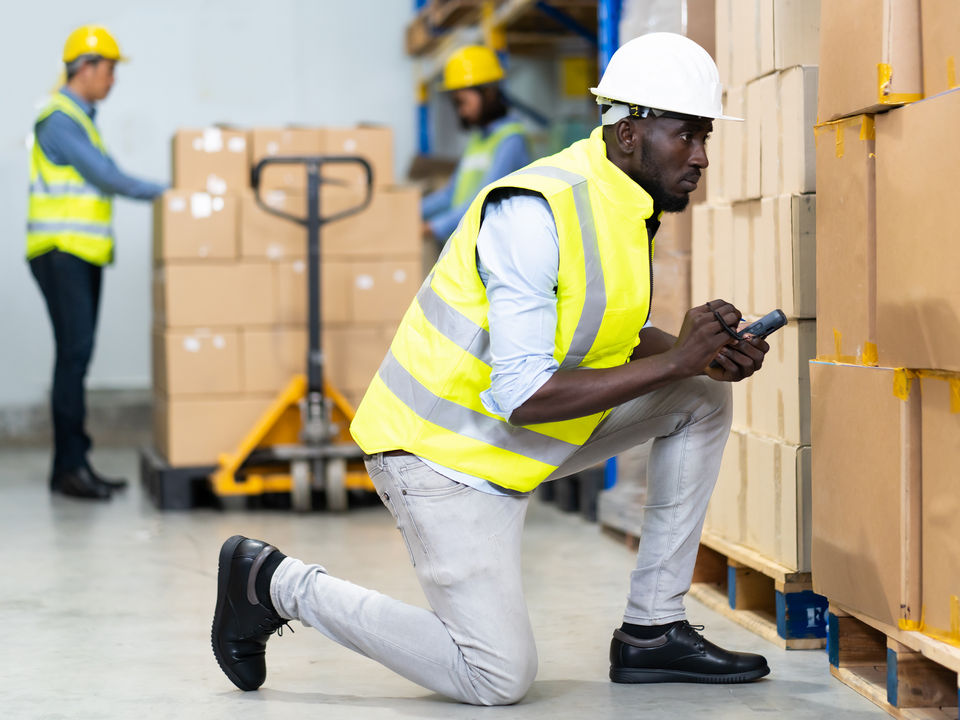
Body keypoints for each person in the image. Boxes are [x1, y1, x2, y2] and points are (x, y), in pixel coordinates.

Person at [212, 33, 772, 705]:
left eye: (705, 136)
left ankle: (653, 631)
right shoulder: (534, 213)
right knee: (496, 677)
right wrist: (679, 358)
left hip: (504, 439)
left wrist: (693, 355)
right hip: (439, 457)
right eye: (688, 136)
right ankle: (271, 583)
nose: (702, 156)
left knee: (700, 397)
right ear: (629, 134)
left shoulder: (625, 208)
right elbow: (526, 393)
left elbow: (602, 334)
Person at [28, 25, 166, 501]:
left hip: (78, 253)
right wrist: (172, 193)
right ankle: (69, 468)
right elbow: (108, 178)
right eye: (109, 70)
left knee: (75, 358)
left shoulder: (80, 118)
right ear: (85, 67)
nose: (113, 80)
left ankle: (74, 463)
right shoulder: (60, 120)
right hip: (61, 252)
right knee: (73, 357)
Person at [421, 45, 530, 244]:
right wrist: (408, 209)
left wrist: (432, 227)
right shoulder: (477, 141)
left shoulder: (511, 141)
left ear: (488, 93)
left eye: (463, 102)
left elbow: (482, 201)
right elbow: (450, 194)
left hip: (497, 249)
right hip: (473, 245)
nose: (461, 112)